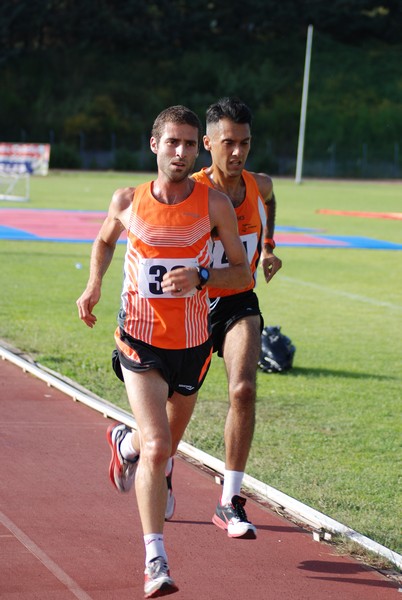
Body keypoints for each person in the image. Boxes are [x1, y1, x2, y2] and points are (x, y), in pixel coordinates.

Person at [76, 105, 251, 598]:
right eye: (172, 142)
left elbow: (242, 274)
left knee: (162, 445)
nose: (181, 151)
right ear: (154, 145)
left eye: (190, 144)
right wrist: (93, 286)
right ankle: (156, 560)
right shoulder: (128, 200)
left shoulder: (213, 204)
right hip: (139, 338)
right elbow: (105, 240)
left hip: (192, 344)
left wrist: (201, 277)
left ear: (198, 150)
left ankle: (122, 444)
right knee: (159, 448)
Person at [172, 97, 282, 540]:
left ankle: (229, 500)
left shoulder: (258, 184)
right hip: (193, 307)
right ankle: (144, 455)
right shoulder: (191, 190)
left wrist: (269, 245)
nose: (237, 153)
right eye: (228, 143)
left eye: (245, 143)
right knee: (176, 409)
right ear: (208, 143)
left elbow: (272, 200)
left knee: (243, 388)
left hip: (239, 300)